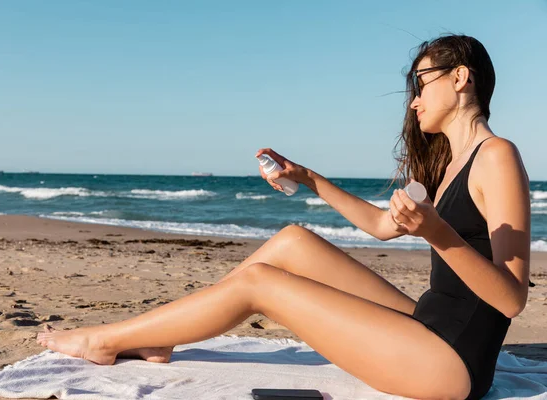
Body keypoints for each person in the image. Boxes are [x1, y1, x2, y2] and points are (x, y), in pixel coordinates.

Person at [37, 34, 531, 400]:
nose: (415, 99)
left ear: (461, 77)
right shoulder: (450, 167)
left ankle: (103, 341)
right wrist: (309, 177)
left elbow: (511, 299)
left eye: (421, 83)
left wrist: (438, 234)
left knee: (259, 283)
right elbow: (383, 226)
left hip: (452, 364)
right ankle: (158, 338)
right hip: (428, 324)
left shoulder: (497, 156)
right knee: (293, 241)